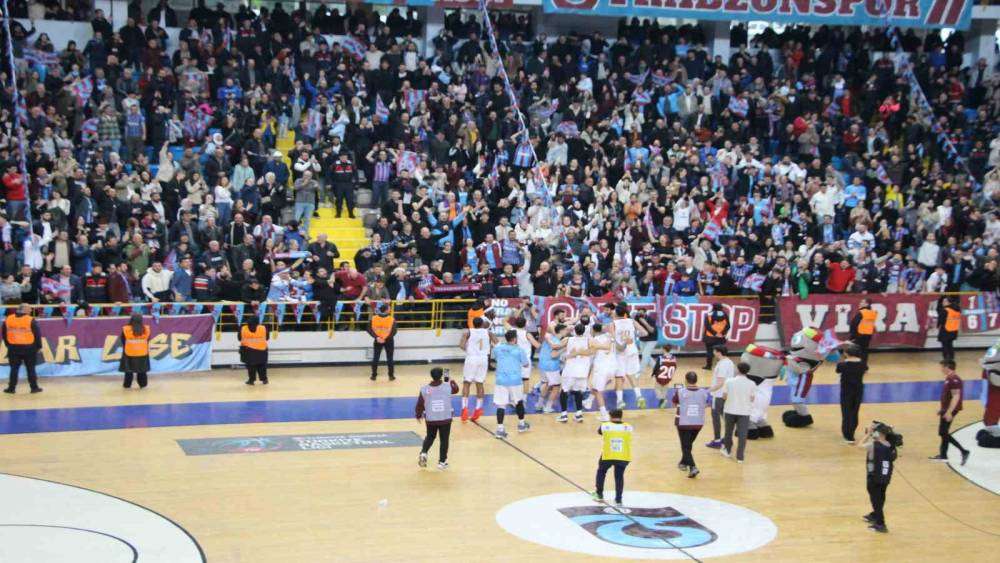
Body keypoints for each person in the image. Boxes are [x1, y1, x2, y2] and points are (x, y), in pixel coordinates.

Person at [860, 421, 901, 533]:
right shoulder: (890, 444)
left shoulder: (873, 445)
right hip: (886, 476)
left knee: (876, 500)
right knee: (881, 496)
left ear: (879, 433)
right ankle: (875, 514)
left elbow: (859, 446)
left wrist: (868, 434)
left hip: (875, 477)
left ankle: (880, 523)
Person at [415, 367, 459, 470]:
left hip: (431, 418)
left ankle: (424, 453)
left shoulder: (424, 389)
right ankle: (442, 462)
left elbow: (420, 404)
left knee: (430, 437)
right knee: (444, 440)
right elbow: (456, 389)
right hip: (445, 418)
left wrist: (418, 414)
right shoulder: (447, 387)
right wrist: (450, 380)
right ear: (441, 376)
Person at [929, 360, 970, 465]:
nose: (941, 369)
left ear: (947, 367)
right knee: (944, 432)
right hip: (946, 409)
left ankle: (963, 451)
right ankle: (943, 455)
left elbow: (956, 396)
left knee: (943, 432)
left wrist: (949, 412)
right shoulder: (949, 378)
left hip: (950, 410)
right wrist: (943, 410)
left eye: (942, 367)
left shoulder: (954, 380)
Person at [491, 330, 530, 438]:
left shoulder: (498, 349)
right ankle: (521, 424)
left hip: (501, 380)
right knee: (518, 402)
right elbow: (526, 364)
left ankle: (500, 429)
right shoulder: (519, 350)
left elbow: (496, 356)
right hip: (515, 380)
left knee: (501, 405)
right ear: (514, 339)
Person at [592, 409, 632, 509]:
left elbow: (600, 432)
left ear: (610, 416)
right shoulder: (628, 427)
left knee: (601, 472)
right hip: (622, 456)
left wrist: (606, 421)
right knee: (619, 477)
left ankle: (599, 494)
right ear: (621, 416)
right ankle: (618, 500)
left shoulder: (605, 426)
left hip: (608, 455)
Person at [674, 371, 709, 478]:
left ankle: (693, 467)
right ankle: (683, 462)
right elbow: (707, 404)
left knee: (685, 446)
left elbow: (674, 403)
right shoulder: (704, 392)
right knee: (688, 444)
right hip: (698, 423)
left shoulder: (680, 391)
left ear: (686, 380)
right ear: (696, 380)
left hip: (684, 423)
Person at [611, 303, 646, 409]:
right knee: (631, 375)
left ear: (616, 313)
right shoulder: (632, 321)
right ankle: (639, 396)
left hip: (620, 352)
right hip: (632, 350)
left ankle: (620, 401)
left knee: (619, 376)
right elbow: (644, 333)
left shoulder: (613, 324)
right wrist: (634, 335)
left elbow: (613, 338)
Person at [3, 303, 42, 394]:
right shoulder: (30, 320)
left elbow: (4, 334)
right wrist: (39, 346)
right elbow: (37, 334)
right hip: (29, 348)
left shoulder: (8, 319)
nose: (31, 310)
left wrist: (8, 345)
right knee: (31, 368)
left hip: (13, 348)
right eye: (29, 308)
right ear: (24, 309)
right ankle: (34, 388)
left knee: (14, 369)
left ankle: (11, 388)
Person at [459, 316, 493, 421]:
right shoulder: (488, 332)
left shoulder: (468, 332)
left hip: (472, 358)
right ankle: (478, 409)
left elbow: (461, 345)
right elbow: (497, 343)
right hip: (483, 359)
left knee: (466, 383)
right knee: (480, 384)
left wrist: (469, 350)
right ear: (482, 324)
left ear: (472, 324)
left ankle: (464, 409)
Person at [722, 361, 756, 463]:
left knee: (728, 432)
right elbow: (752, 398)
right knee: (742, 435)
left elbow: (724, 396)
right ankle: (740, 457)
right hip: (744, 412)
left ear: (737, 369)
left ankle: (727, 451)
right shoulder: (752, 383)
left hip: (730, 410)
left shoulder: (729, 381)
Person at [558, 323, 593, 423]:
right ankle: (579, 414)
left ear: (574, 330)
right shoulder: (589, 340)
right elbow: (593, 351)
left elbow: (556, 346)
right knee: (578, 392)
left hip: (570, 370)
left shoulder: (568, 339)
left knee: (564, 391)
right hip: (582, 371)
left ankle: (564, 415)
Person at [837, 344, 868, 443]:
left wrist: (842, 359)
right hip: (858, 391)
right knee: (854, 412)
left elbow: (838, 370)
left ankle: (848, 435)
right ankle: (851, 433)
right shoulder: (863, 364)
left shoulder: (842, 365)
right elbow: (865, 370)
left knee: (846, 413)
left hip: (846, 391)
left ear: (846, 354)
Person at [706, 346, 734, 448]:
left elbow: (720, 382)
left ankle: (717, 440)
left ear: (718, 352)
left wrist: (708, 391)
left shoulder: (722, 364)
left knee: (716, 417)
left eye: (714, 351)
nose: (713, 353)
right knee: (726, 417)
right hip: (726, 394)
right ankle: (728, 439)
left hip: (718, 395)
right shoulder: (730, 362)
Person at [536, 323, 568, 413]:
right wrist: (564, 349)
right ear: (561, 331)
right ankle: (548, 407)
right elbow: (553, 355)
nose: (567, 332)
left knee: (546, 384)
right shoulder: (557, 342)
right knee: (556, 386)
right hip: (551, 366)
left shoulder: (549, 337)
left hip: (542, 365)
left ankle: (539, 404)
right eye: (566, 330)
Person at [588, 323, 617, 422]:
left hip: (602, 368)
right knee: (596, 384)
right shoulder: (610, 336)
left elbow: (591, 353)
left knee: (597, 390)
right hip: (613, 367)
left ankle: (604, 415)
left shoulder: (594, 340)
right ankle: (589, 400)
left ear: (593, 330)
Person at [120, 313, 151, 389]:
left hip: (129, 352)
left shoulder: (126, 329)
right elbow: (148, 340)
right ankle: (143, 384)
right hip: (142, 352)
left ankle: (127, 385)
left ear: (131, 320)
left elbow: (122, 340)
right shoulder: (146, 329)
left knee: (128, 370)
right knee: (142, 370)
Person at [368, 303, 397, 381]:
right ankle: (391, 376)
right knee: (390, 358)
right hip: (389, 340)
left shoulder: (373, 318)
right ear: (386, 310)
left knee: (376, 358)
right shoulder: (391, 319)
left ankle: (373, 375)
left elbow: (369, 329)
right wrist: (385, 338)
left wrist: (377, 337)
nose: (390, 310)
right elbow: (394, 331)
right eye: (389, 308)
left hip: (378, 340)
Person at [239, 318, 269, 385]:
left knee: (251, 366)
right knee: (262, 365)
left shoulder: (243, 328)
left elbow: (239, 338)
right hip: (262, 350)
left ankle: (251, 380)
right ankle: (264, 380)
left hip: (248, 350)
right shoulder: (263, 328)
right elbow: (267, 338)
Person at [702, 304, 729, 370]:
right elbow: (728, 326)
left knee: (709, 352)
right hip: (721, 338)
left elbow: (707, 326)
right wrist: (721, 333)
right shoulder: (725, 315)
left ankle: (708, 366)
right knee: (721, 352)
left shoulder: (708, 314)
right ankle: (721, 366)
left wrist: (715, 333)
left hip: (709, 337)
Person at [849, 299, 876, 365]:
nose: (860, 303)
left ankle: (856, 365)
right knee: (864, 351)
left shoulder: (861, 312)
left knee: (855, 350)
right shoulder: (873, 313)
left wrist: (852, 336)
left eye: (862, 302)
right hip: (868, 334)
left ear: (867, 304)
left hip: (859, 334)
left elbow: (854, 324)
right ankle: (864, 365)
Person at [937, 297, 961, 362]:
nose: (943, 303)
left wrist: (938, 326)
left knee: (945, 345)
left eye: (945, 301)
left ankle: (946, 358)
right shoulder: (957, 310)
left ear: (949, 302)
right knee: (950, 344)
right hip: (954, 330)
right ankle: (951, 357)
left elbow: (940, 320)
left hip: (945, 330)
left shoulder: (945, 310)